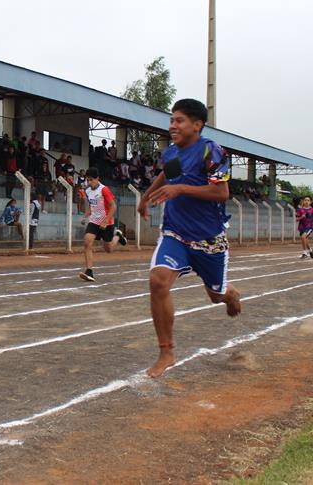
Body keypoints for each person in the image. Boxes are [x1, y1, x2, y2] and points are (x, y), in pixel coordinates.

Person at [137, 98, 242, 379]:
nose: (172, 125)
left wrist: (181, 189)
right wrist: (146, 197)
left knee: (215, 295)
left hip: (208, 238)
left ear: (197, 125)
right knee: (158, 280)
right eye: (171, 120)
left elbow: (222, 193)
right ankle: (166, 351)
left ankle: (229, 293)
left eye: (179, 120)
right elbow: (167, 175)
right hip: (175, 232)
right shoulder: (171, 153)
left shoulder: (212, 151)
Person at [78, 168, 127, 282]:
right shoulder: (88, 191)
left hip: (106, 223)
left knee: (108, 249)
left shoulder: (104, 190)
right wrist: (85, 216)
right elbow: (92, 206)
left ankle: (118, 236)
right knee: (87, 242)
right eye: (87, 180)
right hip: (94, 221)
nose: (89, 183)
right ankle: (89, 271)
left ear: (97, 179)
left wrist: (106, 221)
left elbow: (113, 206)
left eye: (91, 180)